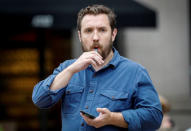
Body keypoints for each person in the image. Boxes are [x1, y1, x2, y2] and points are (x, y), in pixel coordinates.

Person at [32, 4, 163, 131]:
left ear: (113, 34)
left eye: (102, 30)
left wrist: (112, 118)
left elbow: (154, 117)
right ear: (79, 36)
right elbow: (40, 100)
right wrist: (72, 70)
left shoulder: (135, 72)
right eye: (88, 31)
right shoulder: (67, 68)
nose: (95, 37)